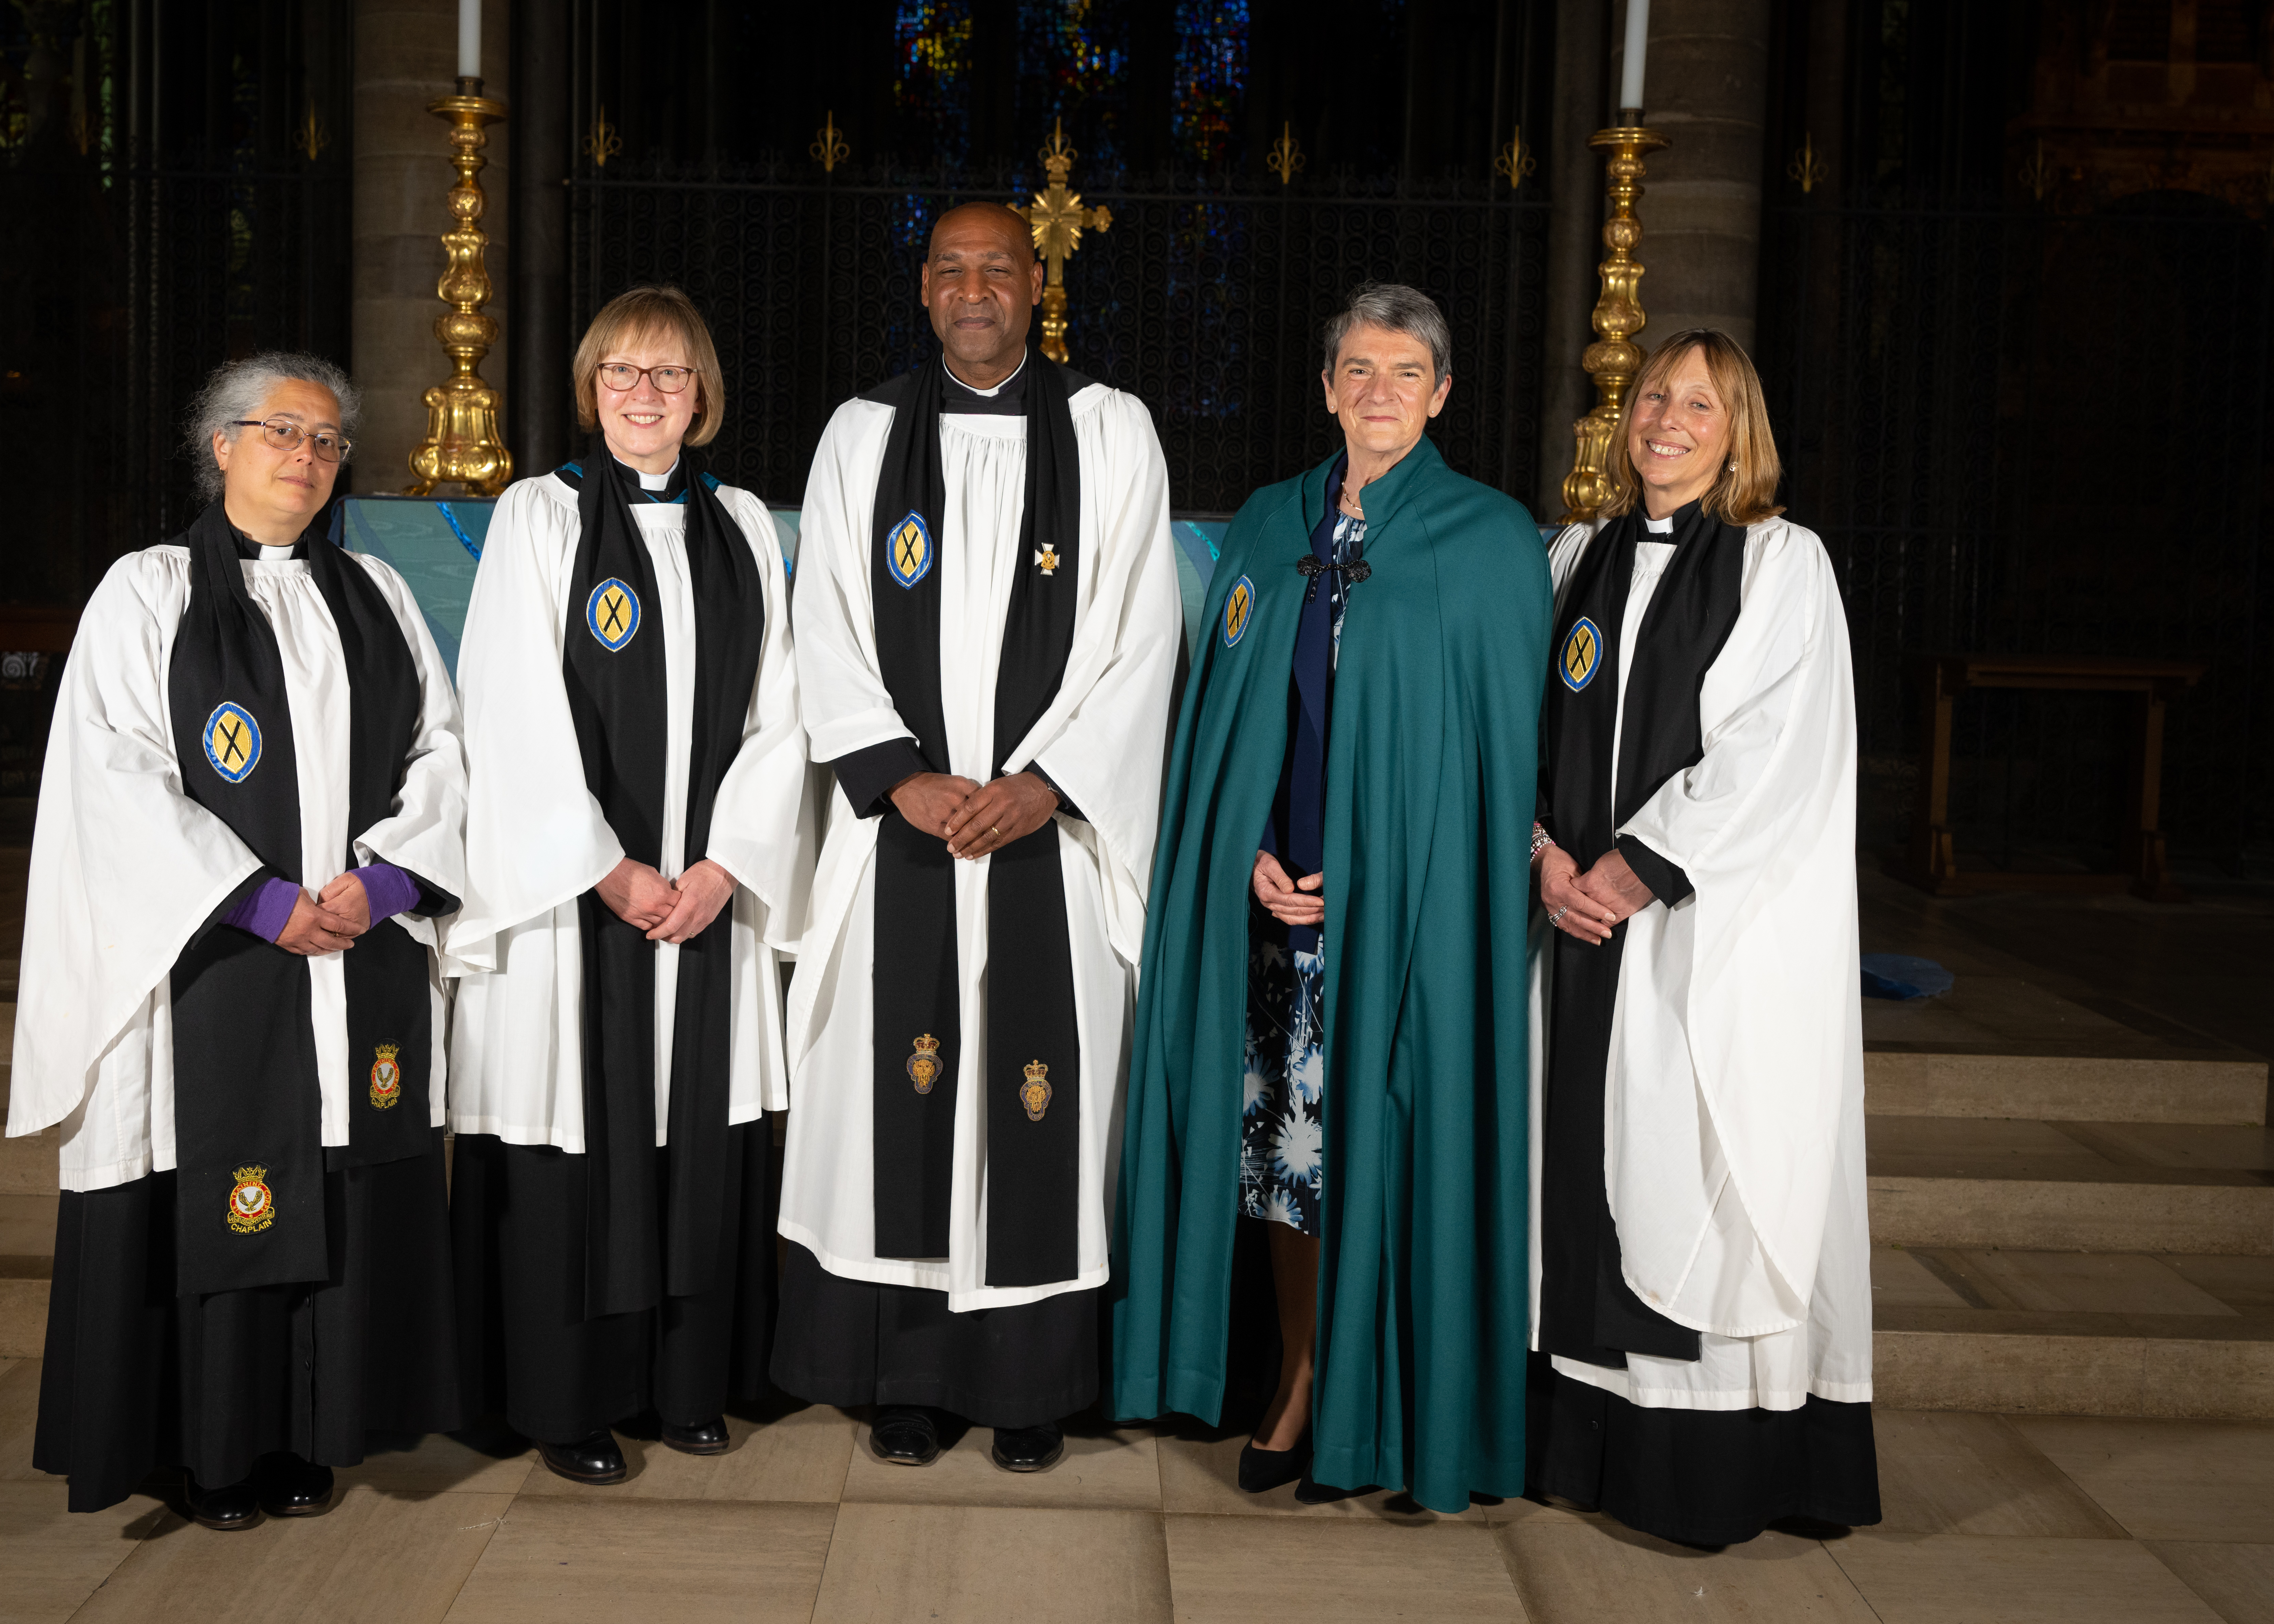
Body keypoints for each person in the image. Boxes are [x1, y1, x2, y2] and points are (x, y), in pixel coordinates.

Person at [10, 353, 469, 1527]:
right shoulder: (148, 593)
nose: (307, 458)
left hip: (356, 952)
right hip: (214, 960)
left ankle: (313, 1433)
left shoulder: (375, 594)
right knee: (231, 1176)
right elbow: (108, 774)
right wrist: (259, 900)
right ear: (220, 447)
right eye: (282, 433)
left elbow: (443, 752)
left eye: (325, 442)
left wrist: (385, 878)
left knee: (334, 1167)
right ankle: (214, 1450)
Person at [1110, 284, 1550, 1509]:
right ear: (1325, 387)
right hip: (1282, 912)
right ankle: (1300, 1379)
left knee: (1389, 1148)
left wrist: (1387, 867)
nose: (1376, 392)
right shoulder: (1265, 526)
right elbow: (1225, 723)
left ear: (1443, 393)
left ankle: (1386, 1405)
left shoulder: (1490, 537)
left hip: (1407, 922)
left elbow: (1494, 760)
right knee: (1286, 1166)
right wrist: (1246, 843)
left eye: (1404, 372)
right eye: (1356, 369)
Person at [773, 202, 1179, 1473]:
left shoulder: (1111, 432)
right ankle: (906, 1379)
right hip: (906, 834)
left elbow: (1143, 629)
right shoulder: (864, 434)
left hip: (1044, 848)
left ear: (1037, 284)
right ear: (926, 288)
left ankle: (1028, 1386)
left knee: (1038, 1099)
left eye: (998, 269)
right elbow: (824, 619)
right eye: (951, 269)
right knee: (899, 1096)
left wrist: (1048, 785)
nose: (974, 289)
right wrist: (902, 779)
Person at [443, 287, 806, 1486]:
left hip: (705, 902)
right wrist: (605, 867)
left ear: (702, 396)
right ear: (591, 390)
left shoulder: (744, 524)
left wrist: (725, 865)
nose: (643, 396)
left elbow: (783, 712)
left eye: (667, 375)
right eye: (619, 374)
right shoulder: (539, 518)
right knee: (577, 1137)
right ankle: (571, 1400)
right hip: (578, 907)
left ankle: (690, 1383)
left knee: (695, 1132)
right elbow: (509, 702)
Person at [1527, 328, 1878, 1545]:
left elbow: (1782, 748)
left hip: (1696, 937)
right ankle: (1579, 1446)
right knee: (1579, 1168)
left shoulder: (1783, 565)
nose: (1666, 420)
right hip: (1572, 925)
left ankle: (1703, 1463)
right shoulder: (1574, 552)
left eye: (1700, 404)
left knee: (1687, 1168)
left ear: (1741, 433)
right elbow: (1517, 724)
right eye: (1653, 397)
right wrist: (1545, 854)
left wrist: (1631, 868)